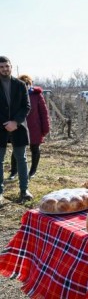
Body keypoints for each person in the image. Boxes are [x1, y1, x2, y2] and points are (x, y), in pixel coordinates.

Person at [0, 56, 32, 203]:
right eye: (1, 67)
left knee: (21, 159)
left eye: (7, 66)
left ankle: (24, 190)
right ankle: (0, 193)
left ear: (11, 67)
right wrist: (5, 123)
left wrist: (15, 122)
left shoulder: (20, 85)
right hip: (0, 128)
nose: (5, 69)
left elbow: (26, 106)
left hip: (18, 127)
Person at [9, 74, 50, 179]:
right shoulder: (15, 95)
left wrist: (45, 128)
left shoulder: (36, 95)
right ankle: (14, 172)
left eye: (27, 84)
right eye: (23, 84)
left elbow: (43, 112)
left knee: (35, 149)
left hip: (35, 127)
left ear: (30, 84)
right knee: (17, 150)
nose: (25, 86)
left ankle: (32, 171)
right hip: (19, 126)